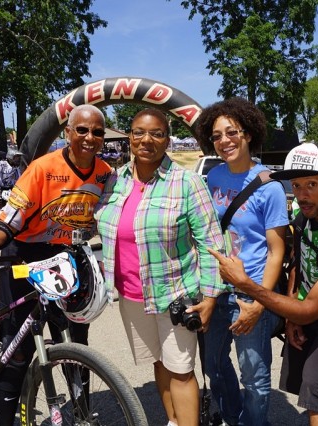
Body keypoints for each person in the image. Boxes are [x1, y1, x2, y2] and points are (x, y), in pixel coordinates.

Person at [0, 104, 113, 425]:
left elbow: (110, 220)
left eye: (97, 131)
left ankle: (81, 417)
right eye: (81, 130)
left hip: (65, 260)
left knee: (75, 345)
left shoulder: (105, 173)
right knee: (19, 352)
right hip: (24, 254)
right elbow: (10, 220)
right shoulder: (42, 168)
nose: (89, 137)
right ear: (67, 133)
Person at [208, 141, 318, 426]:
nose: (302, 194)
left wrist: (247, 285)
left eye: (312, 184)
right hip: (308, 302)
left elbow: (310, 310)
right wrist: (291, 316)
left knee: (317, 399)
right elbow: (296, 265)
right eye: (297, 185)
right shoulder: (306, 215)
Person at [94, 108, 225, 426]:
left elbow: (212, 245)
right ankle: (173, 421)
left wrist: (209, 297)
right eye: (139, 132)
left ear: (167, 140)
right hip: (130, 296)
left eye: (156, 133)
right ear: (130, 137)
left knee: (180, 370)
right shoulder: (115, 180)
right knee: (159, 362)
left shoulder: (187, 182)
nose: (146, 140)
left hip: (174, 295)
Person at [194, 97, 289, 426]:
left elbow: (277, 251)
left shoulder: (269, 186)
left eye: (231, 132)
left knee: (255, 378)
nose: (224, 141)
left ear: (248, 134)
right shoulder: (214, 177)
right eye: (217, 136)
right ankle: (233, 419)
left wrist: (260, 302)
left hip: (249, 295)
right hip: (215, 290)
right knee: (214, 366)